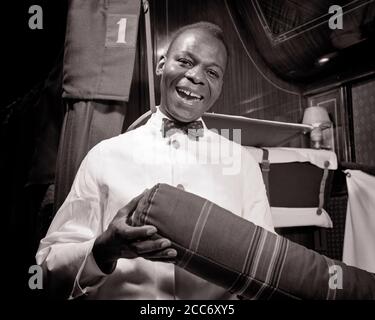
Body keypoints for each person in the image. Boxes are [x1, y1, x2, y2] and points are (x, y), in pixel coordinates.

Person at [36, 21, 274, 299]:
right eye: (185, 61)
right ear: (161, 65)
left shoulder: (242, 163)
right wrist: (103, 249)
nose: (197, 76)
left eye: (212, 72)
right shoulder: (104, 155)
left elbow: (267, 269)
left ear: (219, 87)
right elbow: (46, 269)